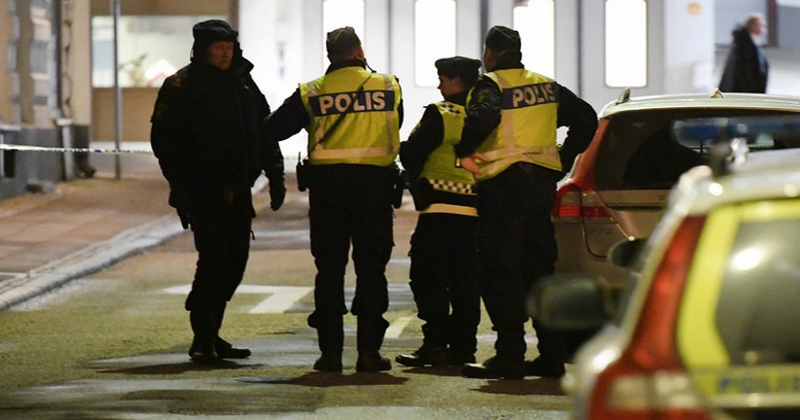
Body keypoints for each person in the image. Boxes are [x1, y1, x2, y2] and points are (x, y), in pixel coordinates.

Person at [456, 26, 598, 379]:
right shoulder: (546, 86)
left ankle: (510, 355)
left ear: (490, 53)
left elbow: (483, 116)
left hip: (503, 187)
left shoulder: (491, 85)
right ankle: (551, 355)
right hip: (539, 189)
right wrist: (564, 157)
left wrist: (464, 150)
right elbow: (586, 118)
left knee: (500, 269)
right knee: (539, 269)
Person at [262, 27, 403, 373]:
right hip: (374, 189)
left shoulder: (312, 91)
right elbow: (395, 124)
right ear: (360, 51)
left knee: (329, 270)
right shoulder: (388, 85)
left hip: (328, 192)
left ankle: (331, 355)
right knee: (371, 270)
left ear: (329, 55)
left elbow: (272, 129)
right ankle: (369, 353)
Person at [150, 19, 286, 365]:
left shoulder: (242, 82)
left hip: (239, 189)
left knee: (236, 261)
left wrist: (276, 174)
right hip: (204, 190)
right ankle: (203, 336)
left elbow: (265, 128)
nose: (225, 54)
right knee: (215, 260)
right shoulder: (181, 85)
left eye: (229, 47)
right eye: (218, 48)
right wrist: (181, 187)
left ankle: (210, 328)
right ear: (203, 50)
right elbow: (165, 142)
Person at [396, 57, 482, 368]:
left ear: (456, 81)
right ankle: (464, 349)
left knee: (428, 280)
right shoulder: (487, 116)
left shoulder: (441, 113)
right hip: (476, 213)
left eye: (442, 79)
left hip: (440, 211)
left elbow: (411, 153)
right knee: (466, 284)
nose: (439, 85)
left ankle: (435, 345)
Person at [719, 13, 769, 93]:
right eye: (761, 25)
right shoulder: (745, 46)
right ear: (753, 26)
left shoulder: (746, 42)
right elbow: (745, 72)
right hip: (742, 91)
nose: (764, 28)